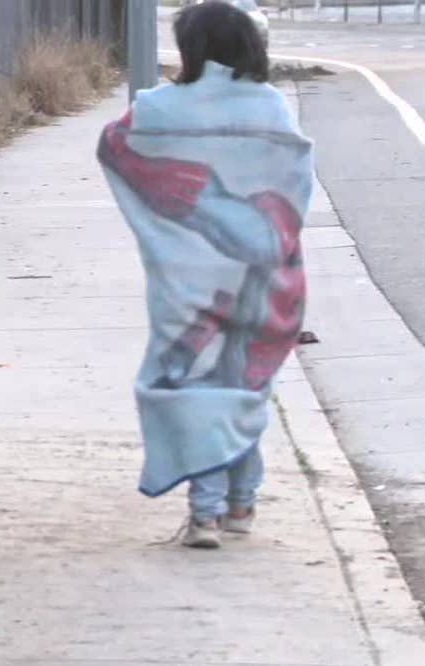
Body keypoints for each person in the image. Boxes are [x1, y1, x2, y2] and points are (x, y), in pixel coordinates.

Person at [97, 1, 314, 549]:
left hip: (187, 278)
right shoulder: (271, 107)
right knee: (244, 387)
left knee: (193, 385)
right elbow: (295, 181)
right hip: (269, 277)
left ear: (192, 49)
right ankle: (240, 504)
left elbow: (116, 145)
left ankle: (206, 512)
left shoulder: (160, 109)